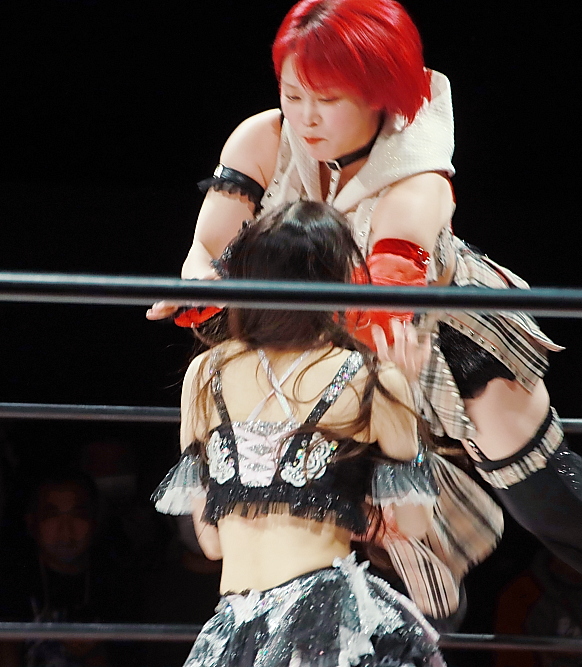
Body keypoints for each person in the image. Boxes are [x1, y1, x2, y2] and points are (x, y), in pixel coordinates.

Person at [147, 0, 582, 663]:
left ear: (377, 96)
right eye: (293, 94)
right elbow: (208, 249)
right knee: (355, 517)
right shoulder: (261, 137)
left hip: (439, 333)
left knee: (545, 499)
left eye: (327, 99)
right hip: (343, 351)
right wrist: (199, 285)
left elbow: (389, 286)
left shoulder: (417, 166)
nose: (306, 116)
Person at [154, 200, 449, 667]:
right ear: (339, 280)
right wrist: (405, 402)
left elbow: (211, 543)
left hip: (237, 626)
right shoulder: (371, 377)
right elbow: (413, 525)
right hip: (325, 623)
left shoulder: (205, 375)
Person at [0, 470, 139, 667]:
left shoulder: (115, 581)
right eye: (52, 516)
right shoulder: (9, 575)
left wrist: (93, 653)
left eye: (77, 516)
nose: (65, 530)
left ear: (95, 522)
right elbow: (2, 650)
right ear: (32, 523)